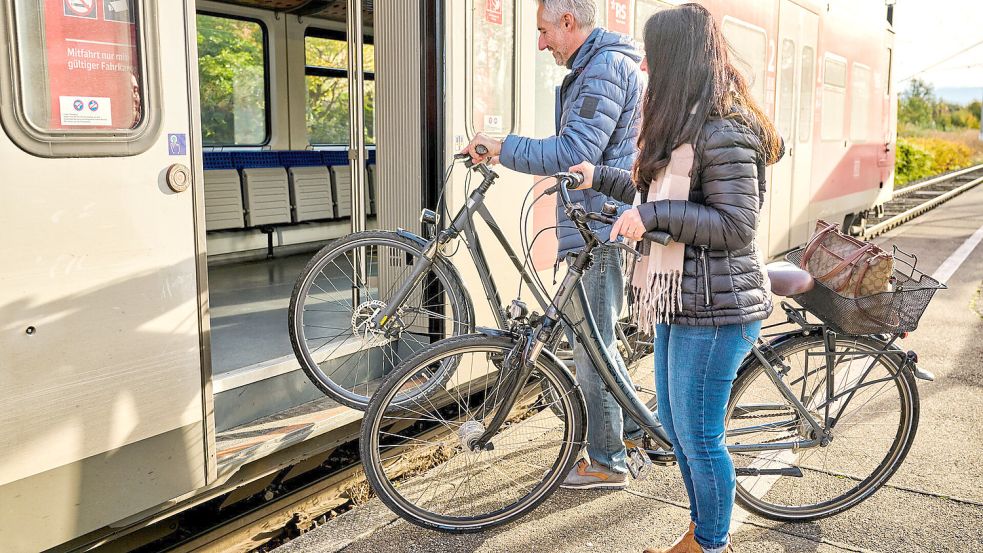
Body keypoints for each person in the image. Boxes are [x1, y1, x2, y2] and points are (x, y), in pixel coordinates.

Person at [570, 4, 783, 552]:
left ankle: (710, 543)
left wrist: (653, 219)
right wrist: (601, 178)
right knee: (675, 422)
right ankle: (699, 530)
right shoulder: (686, 124)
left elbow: (736, 225)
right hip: (683, 301)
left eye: (652, 53)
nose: (644, 63)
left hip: (719, 309)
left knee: (700, 436)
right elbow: (658, 193)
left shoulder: (725, 129)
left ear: (677, 57)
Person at [461, 0, 645, 489]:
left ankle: (608, 462)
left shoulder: (604, 68)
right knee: (597, 345)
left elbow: (575, 153)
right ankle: (630, 433)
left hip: (599, 228)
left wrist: (503, 147)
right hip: (592, 224)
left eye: (544, 31)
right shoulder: (597, 66)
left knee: (594, 349)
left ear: (569, 22)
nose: (540, 43)